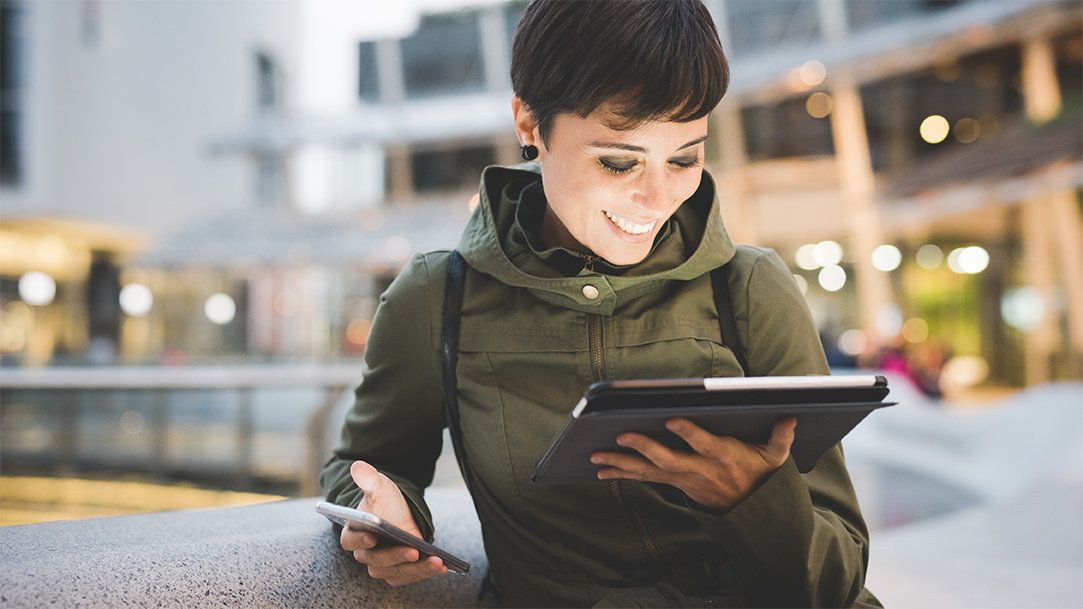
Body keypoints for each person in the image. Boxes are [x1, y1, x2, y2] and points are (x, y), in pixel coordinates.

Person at [321, 1, 880, 606]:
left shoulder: (751, 288)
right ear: (530, 125)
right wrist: (382, 515)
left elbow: (837, 582)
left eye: (686, 157)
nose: (656, 196)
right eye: (619, 161)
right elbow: (363, 467)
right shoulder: (437, 298)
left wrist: (752, 498)